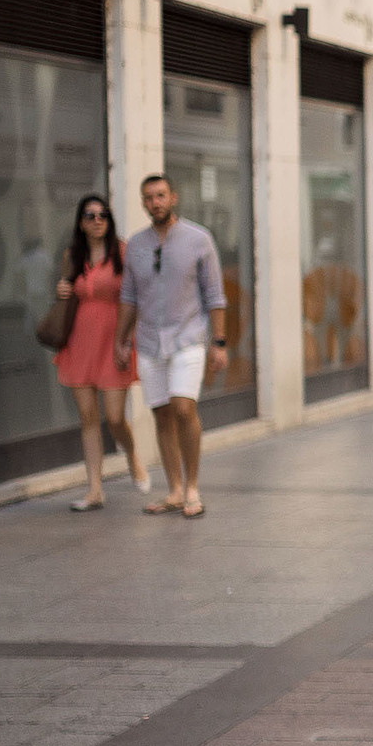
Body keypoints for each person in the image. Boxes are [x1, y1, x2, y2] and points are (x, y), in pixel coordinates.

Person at [118, 175, 226, 519]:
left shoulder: (199, 239)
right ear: (143, 203)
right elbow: (129, 298)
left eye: (161, 195)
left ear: (173, 198)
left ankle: (193, 486)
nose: (156, 202)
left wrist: (219, 343)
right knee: (162, 415)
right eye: (148, 197)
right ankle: (175, 490)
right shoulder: (135, 245)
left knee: (183, 409)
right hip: (149, 342)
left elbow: (215, 296)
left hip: (189, 338)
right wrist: (122, 340)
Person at [51, 194, 148, 512]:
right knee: (88, 417)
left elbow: (133, 299)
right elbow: (67, 292)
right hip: (79, 342)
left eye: (103, 214)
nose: (97, 220)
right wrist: (62, 289)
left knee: (116, 417)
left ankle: (132, 456)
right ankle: (94, 490)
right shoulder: (72, 256)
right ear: (81, 222)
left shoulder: (123, 252)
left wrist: (126, 340)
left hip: (114, 340)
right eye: (90, 216)